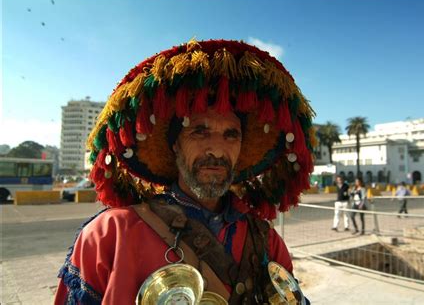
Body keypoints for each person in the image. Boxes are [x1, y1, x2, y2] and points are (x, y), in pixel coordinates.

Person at [54, 40, 316, 304]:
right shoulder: (111, 234)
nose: (216, 149)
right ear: (175, 146)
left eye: (231, 134)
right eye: (199, 131)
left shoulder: (265, 240)